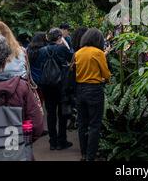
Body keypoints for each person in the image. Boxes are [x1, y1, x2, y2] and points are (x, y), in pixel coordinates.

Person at [74, 28, 111, 161]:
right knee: (95, 124)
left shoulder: (78, 53)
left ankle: (83, 154)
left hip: (80, 90)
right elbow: (106, 74)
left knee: (82, 123)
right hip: (94, 90)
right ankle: (91, 156)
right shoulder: (98, 53)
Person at [41, 28, 73, 150]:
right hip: (61, 85)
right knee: (62, 113)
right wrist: (65, 44)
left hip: (47, 85)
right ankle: (62, 141)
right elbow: (72, 59)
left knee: (50, 114)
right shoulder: (62, 48)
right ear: (59, 37)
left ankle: (52, 142)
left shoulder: (43, 50)